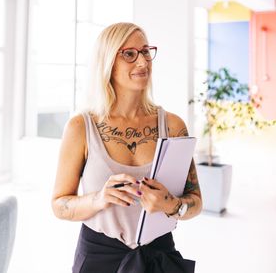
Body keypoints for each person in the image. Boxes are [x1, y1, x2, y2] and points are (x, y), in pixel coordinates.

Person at [51, 22, 202, 273]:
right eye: (129, 54)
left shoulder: (173, 126)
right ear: (108, 62)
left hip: (159, 256)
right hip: (98, 257)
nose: (143, 62)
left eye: (145, 51)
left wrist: (170, 205)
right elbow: (59, 205)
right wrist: (99, 198)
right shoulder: (80, 127)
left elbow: (195, 202)